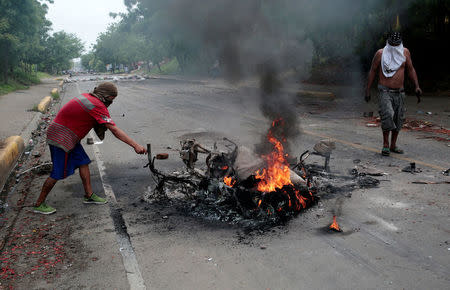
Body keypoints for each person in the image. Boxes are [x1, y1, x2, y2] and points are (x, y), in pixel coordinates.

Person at [33, 82, 147, 214]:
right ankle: (38, 204)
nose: (112, 102)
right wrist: (136, 145)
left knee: (83, 162)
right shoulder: (97, 104)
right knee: (58, 172)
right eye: (112, 99)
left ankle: (89, 195)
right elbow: (114, 130)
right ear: (107, 96)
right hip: (62, 137)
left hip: (68, 136)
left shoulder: (89, 97)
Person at [365, 32, 422, 156]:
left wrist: (416, 86)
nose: (394, 48)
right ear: (388, 43)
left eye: (397, 45)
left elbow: (411, 69)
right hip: (384, 91)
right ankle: (385, 144)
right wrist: (367, 90)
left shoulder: (405, 53)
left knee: (398, 118)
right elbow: (372, 71)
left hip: (400, 92)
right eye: (392, 45)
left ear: (400, 44)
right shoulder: (380, 54)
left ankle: (393, 145)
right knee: (387, 115)